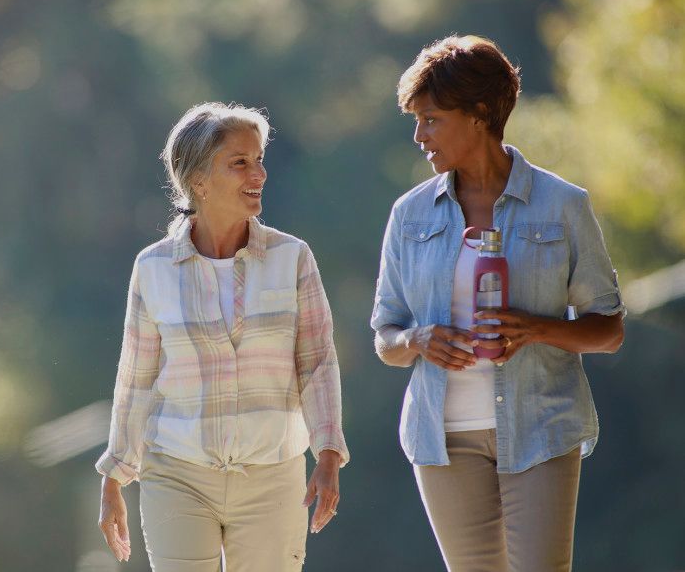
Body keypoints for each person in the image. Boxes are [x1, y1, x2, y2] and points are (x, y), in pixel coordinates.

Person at [371, 35, 625, 572]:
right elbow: (386, 337)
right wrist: (417, 340)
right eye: (416, 121)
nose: (420, 136)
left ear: (481, 113)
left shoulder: (562, 205)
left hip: (541, 428)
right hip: (443, 441)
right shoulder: (409, 214)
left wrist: (536, 329)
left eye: (432, 119)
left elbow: (608, 329)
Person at [96, 102, 350, 571]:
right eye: (241, 162)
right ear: (198, 182)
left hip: (273, 475)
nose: (259, 173)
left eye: (259, 160)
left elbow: (317, 363)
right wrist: (115, 476)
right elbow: (137, 377)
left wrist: (329, 451)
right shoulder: (152, 268)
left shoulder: (292, 258)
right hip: (177, 474)